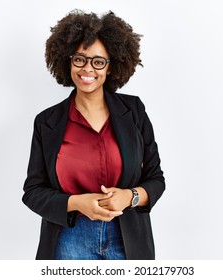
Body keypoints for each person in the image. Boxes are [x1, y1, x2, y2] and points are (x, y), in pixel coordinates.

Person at [22, 10, 165, 260]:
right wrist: (77, 203)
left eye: (98, 61)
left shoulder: (134, 111)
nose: (88, 69)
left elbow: (155, 179)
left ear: (111, 67)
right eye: (80, 59)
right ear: (68, 61)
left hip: (128, 240)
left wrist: (129, 197)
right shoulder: (47, 122)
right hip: (69, 239)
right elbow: (33, 192)